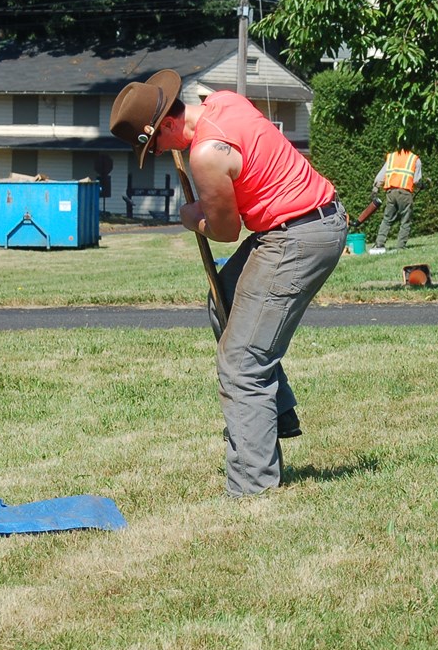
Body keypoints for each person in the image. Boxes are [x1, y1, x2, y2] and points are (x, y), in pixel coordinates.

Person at [109, 69, 346, 497]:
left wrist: (189, 215)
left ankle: (252, 490)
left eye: (155, 144)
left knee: (241, 362)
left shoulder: (205, 154)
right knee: (224, 299)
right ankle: (278, 414)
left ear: (165, 124)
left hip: (298, 238)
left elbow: (223, 229)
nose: (160, 152)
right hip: (303, 224)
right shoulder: (223, 101)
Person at [371, 145, 421, 250]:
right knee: (405, 220)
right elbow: (416, 180)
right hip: (405, 193)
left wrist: (375, 188)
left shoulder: (392, 157)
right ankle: (401, 246)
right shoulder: (414, 159)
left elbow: (381, 175)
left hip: (391, 192)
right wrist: (421, 185)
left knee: (387, 219)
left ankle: (379, 243)